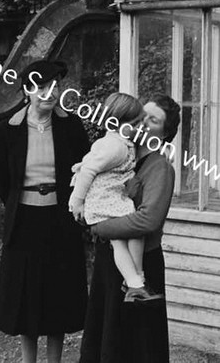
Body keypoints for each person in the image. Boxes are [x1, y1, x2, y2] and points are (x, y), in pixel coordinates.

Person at [0, 60, 90, 363]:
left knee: (57, 292)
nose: (49, 93)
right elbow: (2, 179)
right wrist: (19, 206)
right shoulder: (9, 129)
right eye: (41, 88)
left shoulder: (71, 126)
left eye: (54, 87)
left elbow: (84, 170)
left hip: (60, 220)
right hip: (24, 221)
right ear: (26, 92)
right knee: (27, 294)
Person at [79, 93, 181, 363]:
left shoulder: (160, 167)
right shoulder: (122, 155)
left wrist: (100, 227)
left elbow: (148, 220)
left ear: (165, 133)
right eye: (142, 116)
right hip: (109, 262)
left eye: (154, 120)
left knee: (135, 344)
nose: (144, 123)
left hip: (141, 263)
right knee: (105, 336)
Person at [69, 92, 163, 302]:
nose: (140, 127)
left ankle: (135, 281)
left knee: (124, 239)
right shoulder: (114, 146)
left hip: (111, 199)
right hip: (103, 201)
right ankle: (136, 281)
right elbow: (88, 171)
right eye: (135, 122)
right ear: (116, 122)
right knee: (125, 236)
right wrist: (77, 201)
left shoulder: (121, 141)